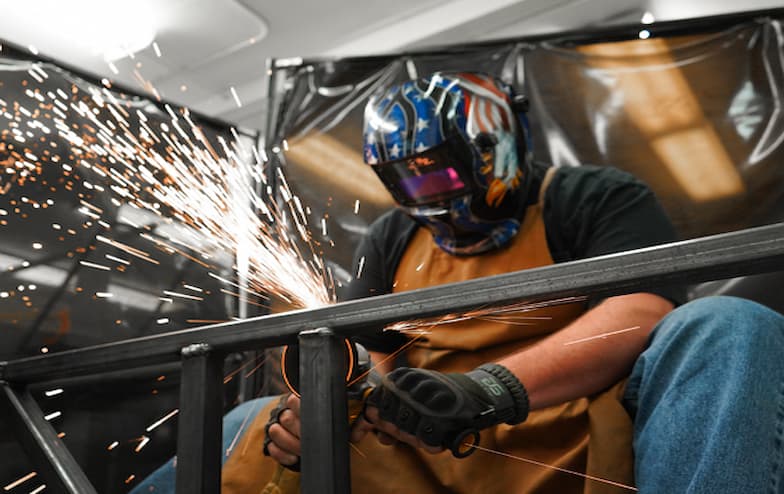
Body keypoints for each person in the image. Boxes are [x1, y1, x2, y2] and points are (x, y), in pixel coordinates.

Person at [135, 73, 784, 493]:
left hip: (571, 439)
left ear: (492, 148)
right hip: (424, 443)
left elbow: (641, 308)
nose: (422, 198)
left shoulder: (590, 196)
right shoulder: (395, 235)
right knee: (250, 420)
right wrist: (322, 399)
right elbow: (360, 349)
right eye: (402, 180)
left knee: (729, 326)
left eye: (435, 176)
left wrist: (489, 388)